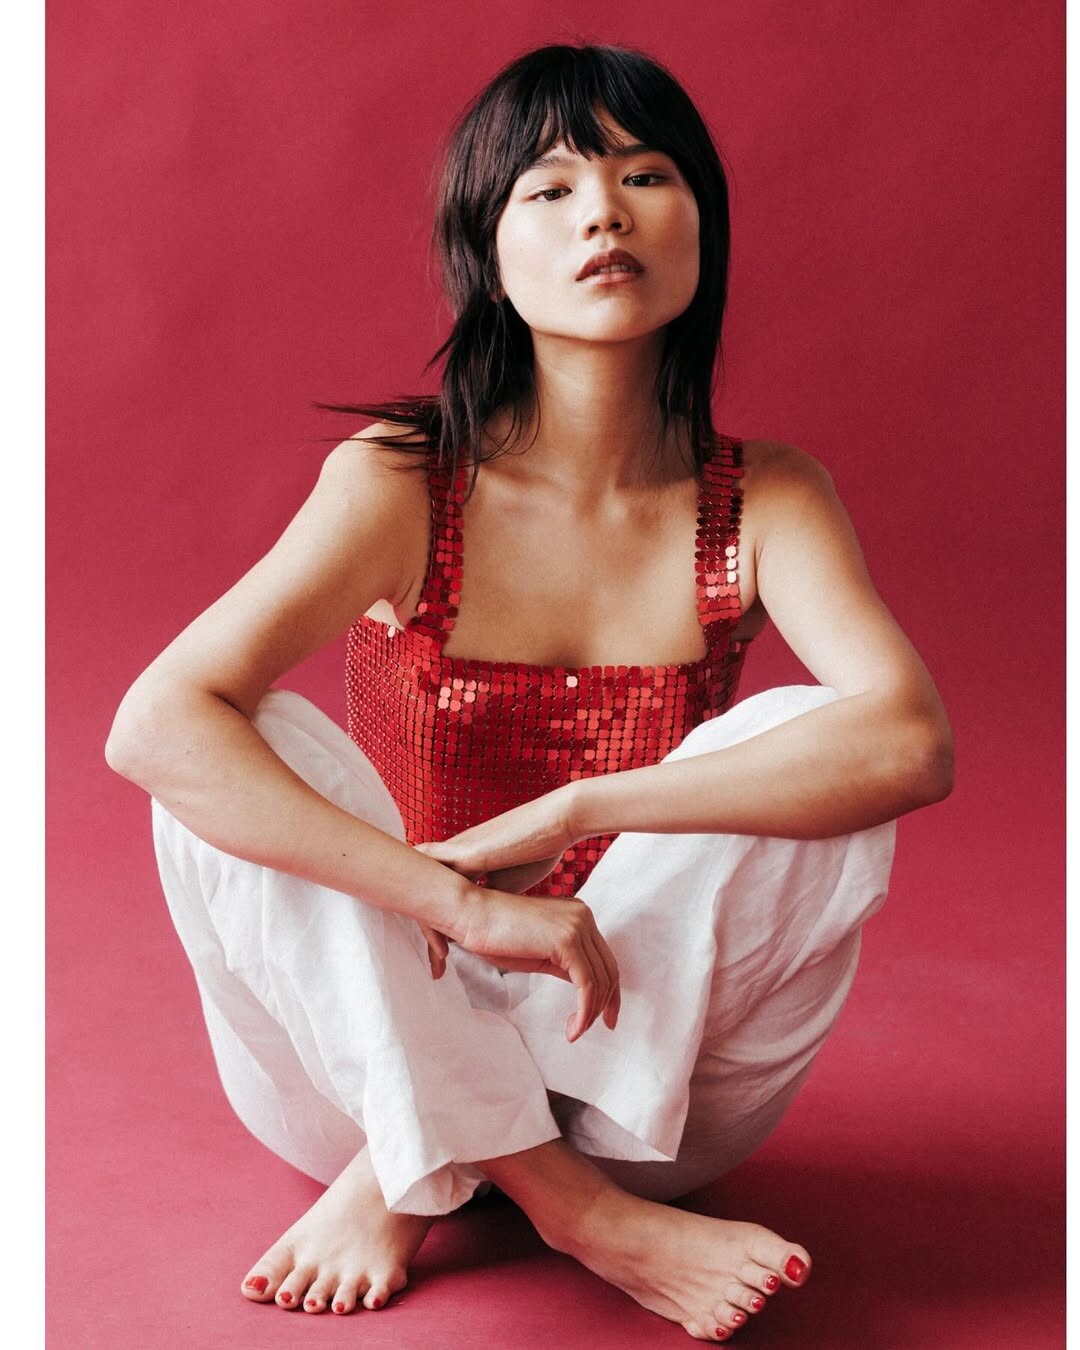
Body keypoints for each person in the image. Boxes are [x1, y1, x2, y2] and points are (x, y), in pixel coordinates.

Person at [105, 42, 953, 1344]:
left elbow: (912, 745)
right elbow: (152, 723)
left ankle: (428, 1165)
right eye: (549, 189)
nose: (603, 211)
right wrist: (454, 900)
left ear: (704, 228)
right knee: (242, 732)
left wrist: (574, 810)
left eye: (645, 175)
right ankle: (570, 1209)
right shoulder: (404, 479)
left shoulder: (767, 497)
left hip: (636, 1090)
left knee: (812, 735)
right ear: (485, 256)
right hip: (355, 1064)